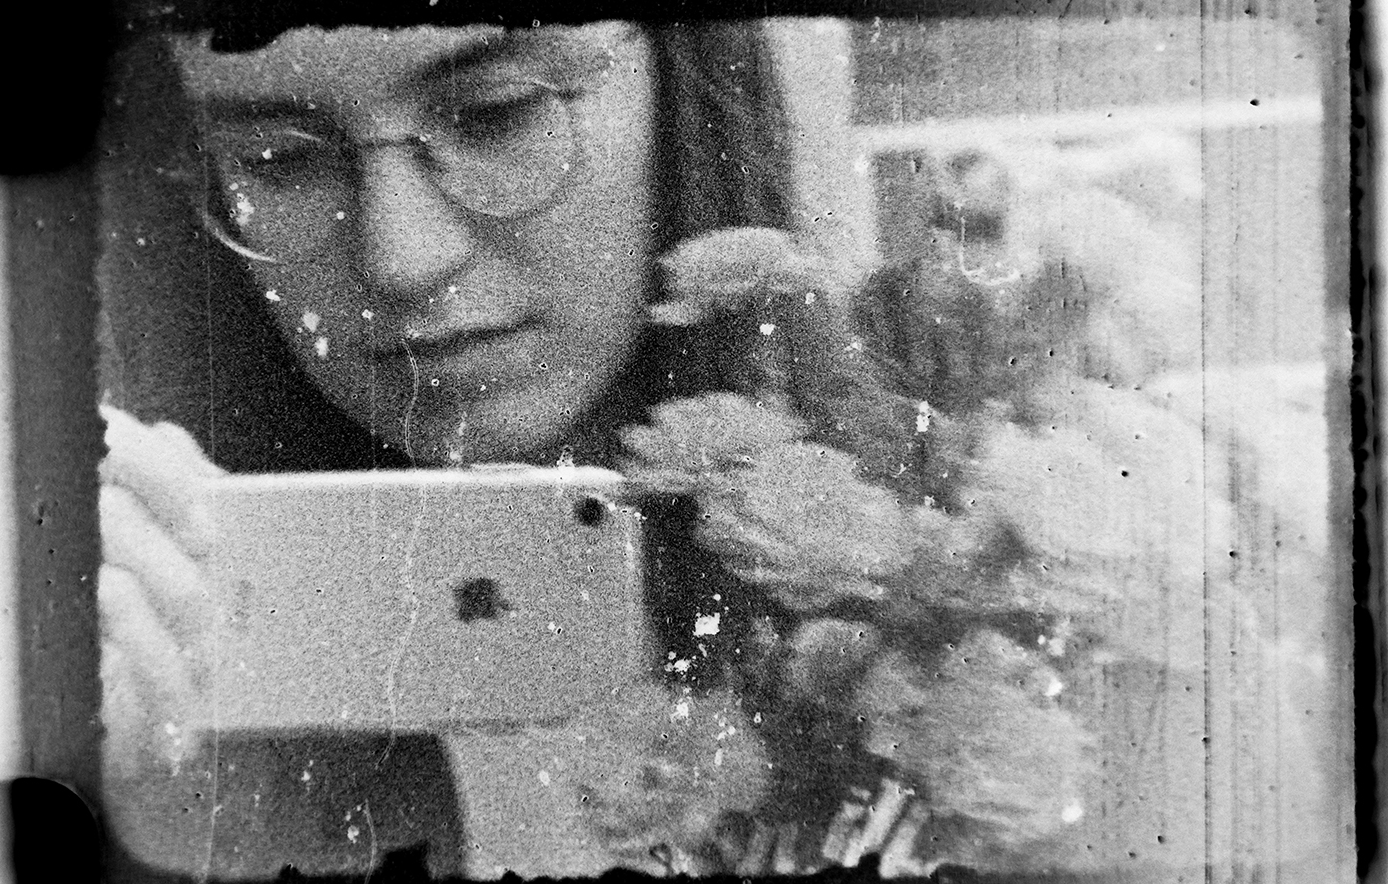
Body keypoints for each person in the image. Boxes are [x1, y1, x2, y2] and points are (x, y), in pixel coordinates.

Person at [94, 7, 1327, 883]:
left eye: (498, 110)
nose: (401, 255)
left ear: (686, 84)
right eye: (274, 158)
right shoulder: (126, 614)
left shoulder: (1031, 574)